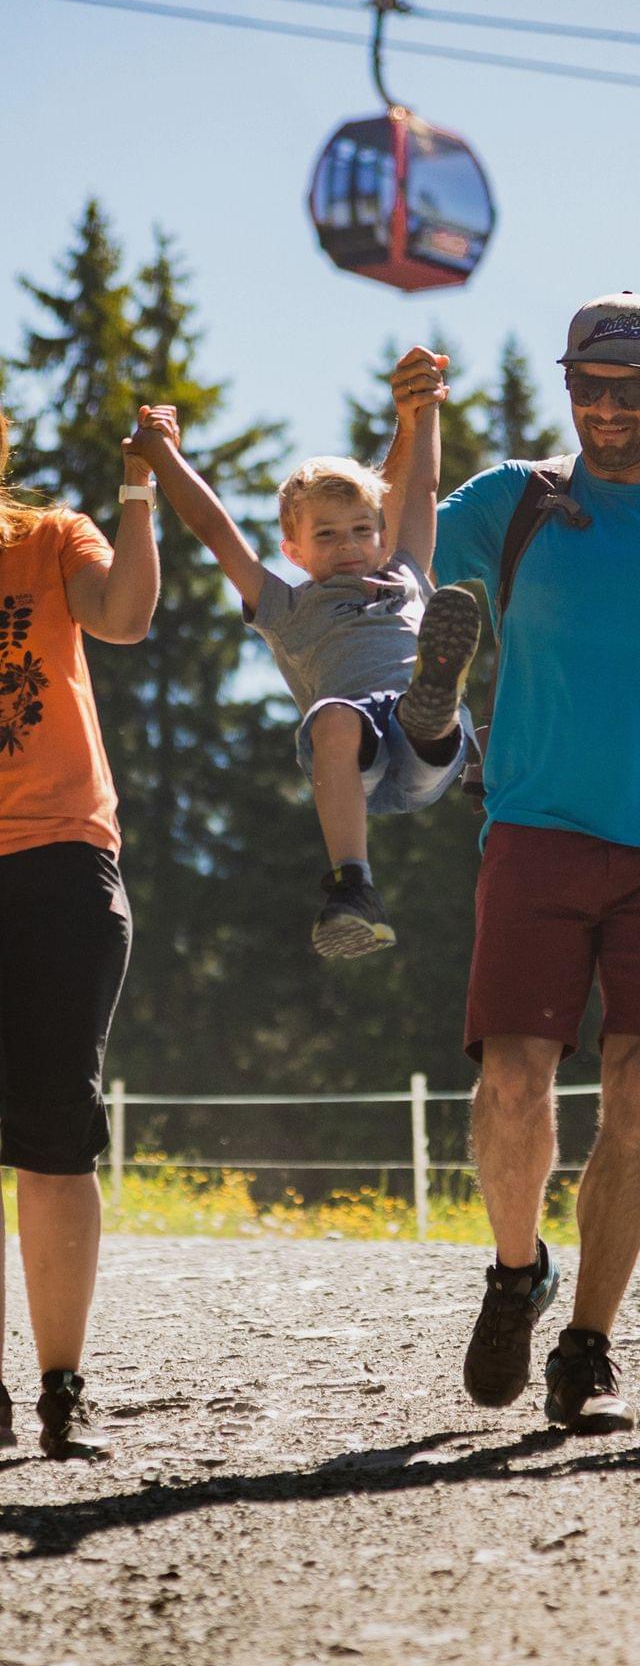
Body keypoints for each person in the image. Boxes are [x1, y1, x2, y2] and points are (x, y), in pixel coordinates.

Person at [390, 293, 640, 1436]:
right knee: (511, 1083)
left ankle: (588, 1345)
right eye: (585, 387)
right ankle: (514, 1270)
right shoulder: (524, 501)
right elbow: (402, 555)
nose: (603, 409)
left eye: (626, 392)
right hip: (536, 829)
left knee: (636, 1105)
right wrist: (412, 426)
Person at [124, 369, 480, 959]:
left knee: (419, 714)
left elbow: (421, 488)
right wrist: (161, 458)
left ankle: (435, 698)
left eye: (362, 531)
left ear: (380, 533)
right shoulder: (285, 604)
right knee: (332, 716)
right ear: (293, 551)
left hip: (421, 743)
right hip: (353, 757)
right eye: (328, 534)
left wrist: (428, 406)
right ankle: (353, 886)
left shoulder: (407, 572)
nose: (348, 545)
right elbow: (214, 528)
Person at [0, 407, 160, 1459]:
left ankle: (63, 1391)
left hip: (58, 861)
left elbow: (125, 615)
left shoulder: (51, 538)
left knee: (57, 1136)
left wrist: (141, 486)